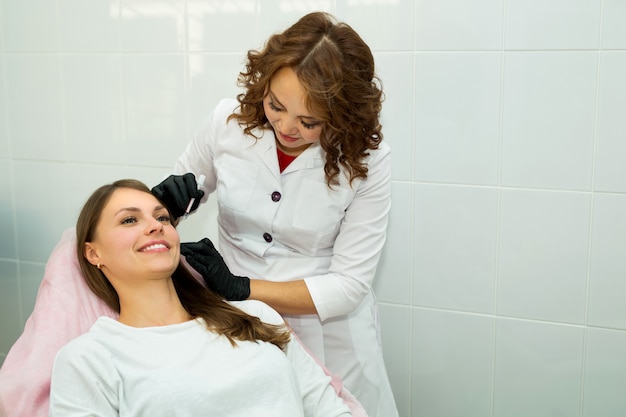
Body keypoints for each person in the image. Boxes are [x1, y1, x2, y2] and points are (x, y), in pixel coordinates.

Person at [151, 11, 398, 417]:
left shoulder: (368, 160)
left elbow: (350, 283)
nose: (285, 126)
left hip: (328, 330)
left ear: (342, 115)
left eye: (309, 121)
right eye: (276, 105)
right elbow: (175, 199)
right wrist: (167, 205)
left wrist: (243, 287)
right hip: (235, 320)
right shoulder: (227, 123)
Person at [48, 179, 353, 417]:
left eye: (163, 218)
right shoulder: (88, 359)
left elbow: (328, 409)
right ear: (93, 253)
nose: (156, 226)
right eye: (129, 220)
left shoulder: (256, 316)